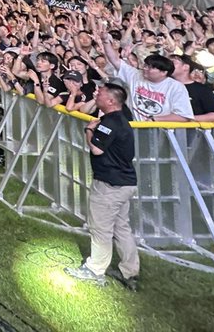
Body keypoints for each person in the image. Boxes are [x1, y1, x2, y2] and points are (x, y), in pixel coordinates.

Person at [65, 81, 140, 291]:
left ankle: (95, 269)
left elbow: (96, 149)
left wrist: (89, 130)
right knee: (121, 228)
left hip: (110, 184)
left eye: (101, 93)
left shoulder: (109, 122)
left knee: (101, 229)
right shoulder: (121, 119)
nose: (96, 95)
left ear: (110, 100)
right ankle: (130, 270)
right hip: (125, 182)